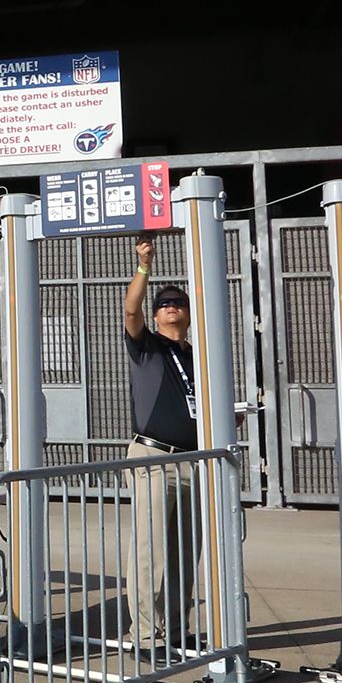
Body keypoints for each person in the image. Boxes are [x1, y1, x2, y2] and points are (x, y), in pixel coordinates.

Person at [120, 234, 201, 654]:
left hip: (193, 460)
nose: (171, 305)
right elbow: (131, 309)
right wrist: (144, 265)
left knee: (186, 550)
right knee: (149, 549)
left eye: (178, 301)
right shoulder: (148, 346)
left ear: (188, 314)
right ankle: (145, 634)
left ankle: (175, 629)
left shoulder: (198, 355)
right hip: (153, 456)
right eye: (164, 302)